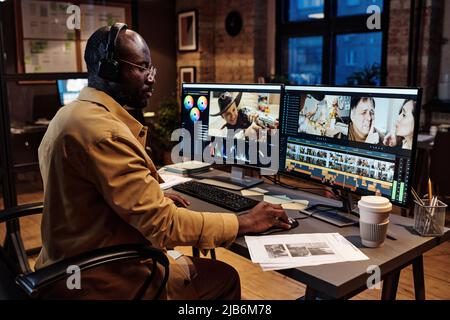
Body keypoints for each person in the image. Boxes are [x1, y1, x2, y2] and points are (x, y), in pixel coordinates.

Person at [35, 23, 290, 299]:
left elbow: (89, 199)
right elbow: (165, 226)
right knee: (225, 278)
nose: (152, 78)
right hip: (104, 280)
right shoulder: (104, 133)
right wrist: (245, 221)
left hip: (66, 266)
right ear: (108, 69)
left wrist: (151, 196)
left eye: (151, 68)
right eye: (143, 67)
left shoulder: (68, 116)